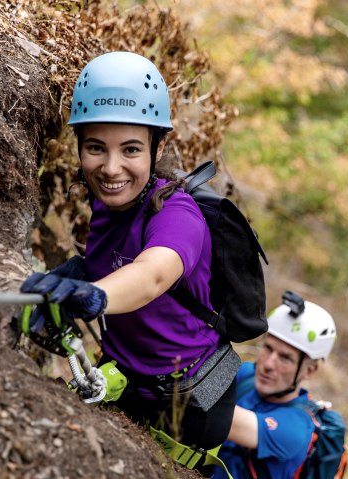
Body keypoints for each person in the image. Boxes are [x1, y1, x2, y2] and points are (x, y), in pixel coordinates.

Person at [20, 51, 239, 456]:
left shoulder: (178, 215)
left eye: (131, 149)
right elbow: (119, 258)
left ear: (157, 148)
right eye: (96, 147)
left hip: (186, 403)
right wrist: (81, 274)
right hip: (125, 377)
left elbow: (152, 274)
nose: (111, 168)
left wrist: (96, 295)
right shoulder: (108, 203)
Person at [212, 291, 344, 479]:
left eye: (285, 358)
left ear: (309, 370)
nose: (267, 364)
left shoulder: (297, 427)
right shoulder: (248, 374)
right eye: (268, 348)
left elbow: (220, 420)